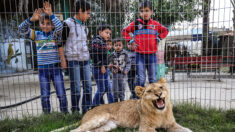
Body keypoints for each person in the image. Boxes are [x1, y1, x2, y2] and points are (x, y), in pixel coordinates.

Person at [18, 2, 68, 114]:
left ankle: (65, 113)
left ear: (52, 25)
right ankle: (47, 115)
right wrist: (31, 20)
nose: (45, 25)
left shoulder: (55, 34)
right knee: (45, 95)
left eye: (48, 23)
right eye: (43, 23)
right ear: (40, 24)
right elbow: (21, 29)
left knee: (61, 93)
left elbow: (60, 28)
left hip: (55, 69)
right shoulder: (36, 35)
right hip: (43, 70)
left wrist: (51, 14)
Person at [122, 1, 169, 87]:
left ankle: (152, 99)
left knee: (153, 79)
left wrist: (159, 38)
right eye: (142, 11)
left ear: (151, 12)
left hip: (152, 55)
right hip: (140, 55)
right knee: (141, 78)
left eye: (147, 10)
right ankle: (139, 98)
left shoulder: (155, 24)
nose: (144, 13)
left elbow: (166, 30)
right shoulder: (136, 23)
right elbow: (124, 31)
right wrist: (130, 41)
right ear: (139, 13)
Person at [58, 0, 92, 113]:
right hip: (73, 60)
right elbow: (60, 43)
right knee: (76, 88)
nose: (88, 16)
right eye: (87, 13)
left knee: (88, 86)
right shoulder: (67, 24)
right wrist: (63, 59)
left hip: (85, 60)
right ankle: (75, 111)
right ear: (80, 11)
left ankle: (86, 110)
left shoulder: (85, 26)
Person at [90, 24, 114, 107]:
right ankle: (94, 106)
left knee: (108, 88)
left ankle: (112, 106)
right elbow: (94, 55)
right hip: (98, 68)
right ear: (100, 32)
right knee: (101, 89)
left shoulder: (103, 42)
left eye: (110, 33)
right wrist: (101, 66)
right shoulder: (96, 41)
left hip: (105, 68)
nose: (108, 35)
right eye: (107, 32)